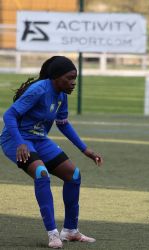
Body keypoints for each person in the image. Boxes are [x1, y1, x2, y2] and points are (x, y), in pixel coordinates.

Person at [0, 56, 103, 249]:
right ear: (55, 77)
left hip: (38, 139)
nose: (73, 83)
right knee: (41, 173)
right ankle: (53, 234)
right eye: (69, 78)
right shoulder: (39, 90)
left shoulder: (62, 94)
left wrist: (85, 149)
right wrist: (20, 142)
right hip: (15, 140)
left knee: (74, 175)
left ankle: (71, 231)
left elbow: (63, 124)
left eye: (75, 78)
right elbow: (9, 115)